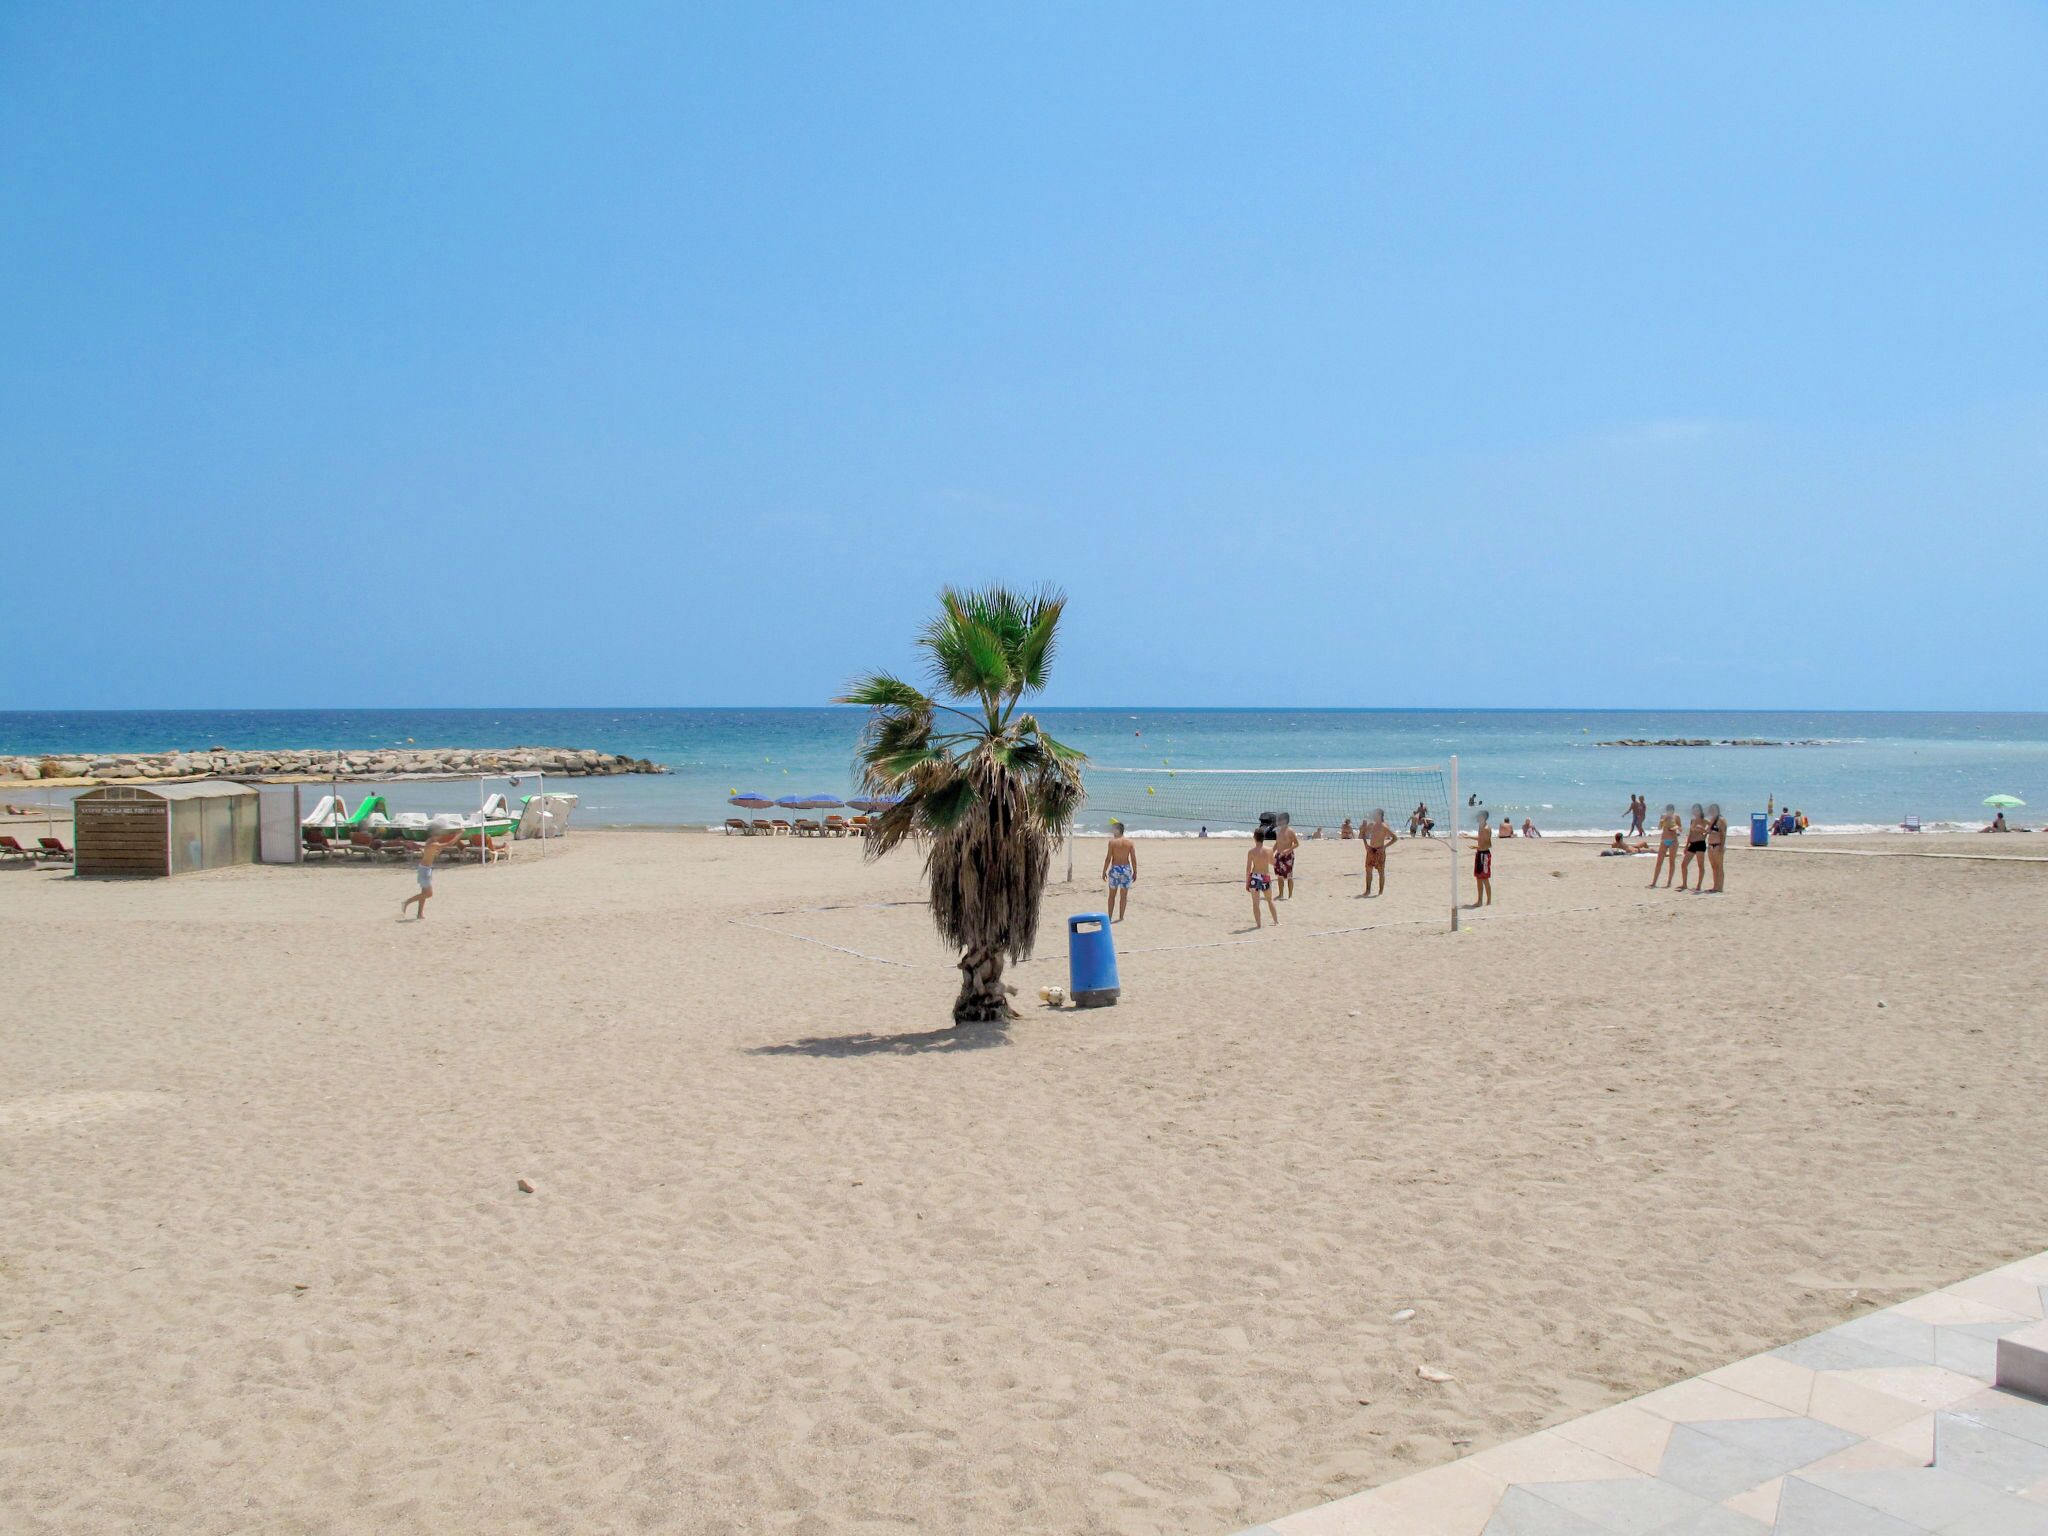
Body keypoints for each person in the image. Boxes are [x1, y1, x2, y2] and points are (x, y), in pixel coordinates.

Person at [400, 825, 462, 920]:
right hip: (425, 870)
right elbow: (449, 844)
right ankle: (406, 902)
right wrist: (459, 835)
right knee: (429, 894)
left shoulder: (430, 841)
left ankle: (419, 914)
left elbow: (434, 852)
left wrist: (439, 849)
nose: (440, 836)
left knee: (424, 893)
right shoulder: (433, 843)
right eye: (438, 835)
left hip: (426, 868)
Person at [1101, 820, 1137, 922]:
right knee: (1124, 895)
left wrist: (1104, 871)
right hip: (1126, 869)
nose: (1112, 831)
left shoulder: (1112, 842)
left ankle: (1109, 917)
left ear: (1118, 830)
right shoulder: (1130, 842)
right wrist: (1135, 871)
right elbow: (1133, 859)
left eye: (1113, 829)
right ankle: (1121, 917)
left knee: (1112, 895)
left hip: (1115, 869)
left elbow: (1108, 858)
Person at [1245, 828, 1278, 928]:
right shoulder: (1269, 850)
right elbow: (1273, 863)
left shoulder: (1251, 852)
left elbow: (1248, 869)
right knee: (1270, 900)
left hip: (1255, 877)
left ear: (1254, 838)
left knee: (1255, 903)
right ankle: (1276, 921)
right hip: (1265, 876)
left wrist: (1247, 882)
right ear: (1264, 838)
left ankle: (1258, 925)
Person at [1361, 808, 1397, 897]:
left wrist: (1384, 847)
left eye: (1375, 814)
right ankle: (1367, 890)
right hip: (1370, 850)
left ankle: (1380, 892)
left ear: (1380, 815)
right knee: (1368, 871)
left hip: (1379, 851)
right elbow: (1363, 833)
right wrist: (1366, 845)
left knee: (1381, 872)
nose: (1373, 815)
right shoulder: (1371, 825)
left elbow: (1395, 838)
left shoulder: (1384, 827)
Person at [1650, 802, 1681, 888]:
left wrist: (1675, 827)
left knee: (1671, 861)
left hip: (1673, 840)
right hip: (1664, 840)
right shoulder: (1663, 816)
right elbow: (1659, 827)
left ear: (1673, 811)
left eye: (1671, 811)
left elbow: (1680, 828)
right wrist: (1663, 821)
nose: (1669, 812)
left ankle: (1669, 882)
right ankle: (1654, 882)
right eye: (1668, 810)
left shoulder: (1676, 817)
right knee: (1659, 862)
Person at [1681, 803, 1708, 892]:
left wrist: (1704, 833)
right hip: (1692, 844)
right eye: (1694, 810)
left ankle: (1699, 885)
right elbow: (1690, 833)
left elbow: (1711, 829)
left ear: (1700, 811)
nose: (1695, 812)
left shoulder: (1704, 821)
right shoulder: (1692, 820)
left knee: (1700, 865)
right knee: (1684, 864)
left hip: (1700, 843)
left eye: (1697, 810)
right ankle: (1684, 884)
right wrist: (1686, 846)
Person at [1272, 815, 1299, 900]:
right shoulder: (1278, 831)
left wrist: (1288, 850)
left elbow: (1296, 844)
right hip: (1278, 855)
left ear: (1285, 821)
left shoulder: (1290, 831)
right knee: (1279, 876)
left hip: (1288, 857)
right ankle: (1280, 894)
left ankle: (1290, 896)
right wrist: (1271, 852)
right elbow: (1277, 843)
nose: (1279, 822)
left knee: (1289, 876)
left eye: (1280, 820)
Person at [1469, 811, 1494, 906]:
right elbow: (1480, 838)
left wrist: (1475, 847)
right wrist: (1468, 836)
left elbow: (1487, 844)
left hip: (1485, 855)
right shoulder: (1480, 826)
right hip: (1479, 853)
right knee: (1478, 878)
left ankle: (1489, 901)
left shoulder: (1487, 828)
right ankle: (1479, 901)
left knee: (1485, 878)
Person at [1703, 802, 1728, 893]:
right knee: (1714, 866)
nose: (1712, 811)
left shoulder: (1721, 820)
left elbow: (1723, 834)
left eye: (1713, 810)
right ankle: (1715, 886)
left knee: (1719, 866)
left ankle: (1720, 887)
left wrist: (1721, 846)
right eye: (1711, 810)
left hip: (1718, 845)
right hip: (1710, 845)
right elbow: (1708, 831)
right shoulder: (1712, 820)